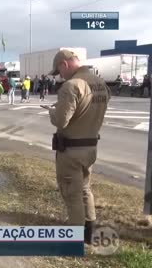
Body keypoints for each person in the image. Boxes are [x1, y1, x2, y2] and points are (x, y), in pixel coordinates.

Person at [44, 50, 110, 244]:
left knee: (71, 193)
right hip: (90, 146)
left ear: (65, 64)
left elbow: (62, 121)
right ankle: (90, 229)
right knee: (84, 188)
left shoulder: (71, 86)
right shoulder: (100, 83)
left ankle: (74, 237)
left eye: (58, 71)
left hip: (71, 150)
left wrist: (52, 111)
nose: (59, 76)